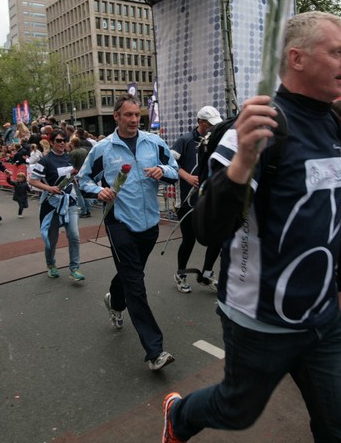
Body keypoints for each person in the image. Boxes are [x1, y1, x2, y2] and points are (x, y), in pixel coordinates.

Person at [162, 11, 341, 442]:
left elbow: (314, 183)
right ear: (297, 59)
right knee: (236, 411)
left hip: (323, 314)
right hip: (260, 319)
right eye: (337, 51)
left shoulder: (330, 122)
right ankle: (179, 415)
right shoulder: (254, 130)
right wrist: (244, 160)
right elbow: (207, 228)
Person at [78, 95, 179, 371]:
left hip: (149, 224)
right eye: (128, 115)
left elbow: (174, 170)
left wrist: (162, 170)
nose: (134, 120)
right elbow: (83, 180)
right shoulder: (103, 149)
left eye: (137, 115)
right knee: (135, 283)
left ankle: (114, 300)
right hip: (119, 222)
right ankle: (154, 351)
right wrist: (99, 191)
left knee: (131, 274)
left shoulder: (154, 143)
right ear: (116, 117)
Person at [170, 105, 224, 293]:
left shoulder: (217, 140)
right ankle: (181, 274)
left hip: (209, 199)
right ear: (200, 122)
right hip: (187, 200)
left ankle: (206, 274)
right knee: (189, 239)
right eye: (210, 124)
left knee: (217, 237)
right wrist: (187, 176)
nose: (213, 128)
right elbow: (170, 162)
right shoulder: (185, 140)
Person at [29, 128, 85, 282]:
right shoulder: (45, 161)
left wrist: (73, 179)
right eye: (58, 140)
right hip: (52, 204)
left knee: (74, 236)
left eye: (64, 140)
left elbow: (70, 174)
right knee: (52, 239)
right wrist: (49, 188)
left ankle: (75, 268)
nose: (62, 143)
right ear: (52, 142)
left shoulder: (69, 157)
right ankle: (51, 264)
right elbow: (32, 180)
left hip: (70, 202)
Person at [67, 137, 91, 217]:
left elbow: (71, 165)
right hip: (85, 173)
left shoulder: (73, 153)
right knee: (84, 191)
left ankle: (83, 210)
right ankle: (88, 209)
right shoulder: (84, 151)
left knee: (79, 193)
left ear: (73, 143)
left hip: (77, 174)